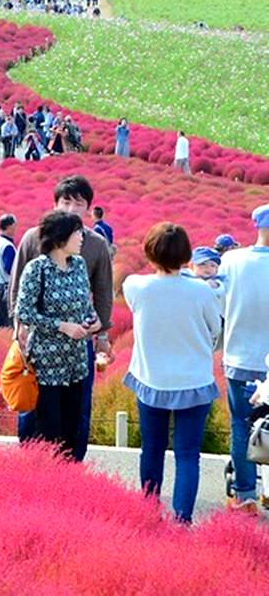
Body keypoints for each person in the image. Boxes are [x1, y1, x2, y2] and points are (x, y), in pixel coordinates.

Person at [122, 222, 221, 523]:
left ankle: (149, 512)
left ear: (150, 252)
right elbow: (215, 331)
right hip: (194, 382)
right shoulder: (202, 291)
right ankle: (182, 521)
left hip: (152, 380)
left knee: (151, 449)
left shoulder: (135, 286)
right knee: (188, 455)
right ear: (186, 255)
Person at [9, 175, 114, 460]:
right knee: (35, 410)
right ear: (54, 204)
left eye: (78, 203)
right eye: (65, 202)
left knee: (76, 414)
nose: (70, 209)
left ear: (88, 209)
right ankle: (32, 461)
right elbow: (18, 288)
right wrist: (18, 330)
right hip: (41, 349)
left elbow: (101, 293)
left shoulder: (90, 249)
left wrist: (99, 329)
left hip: (77, 352)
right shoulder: (34, 240)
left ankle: (70, 468)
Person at [217, 203, 269, 511]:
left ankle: (245, 494)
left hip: (239, 358)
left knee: (241, 425)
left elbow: (218, 304)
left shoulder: (231, 260)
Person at [0, 214, 18, 330]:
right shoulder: (8, 246)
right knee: (8, 321)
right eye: (15, 225)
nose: (16, 228)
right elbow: (10, 269)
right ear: (9, 226)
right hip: (6, 286)